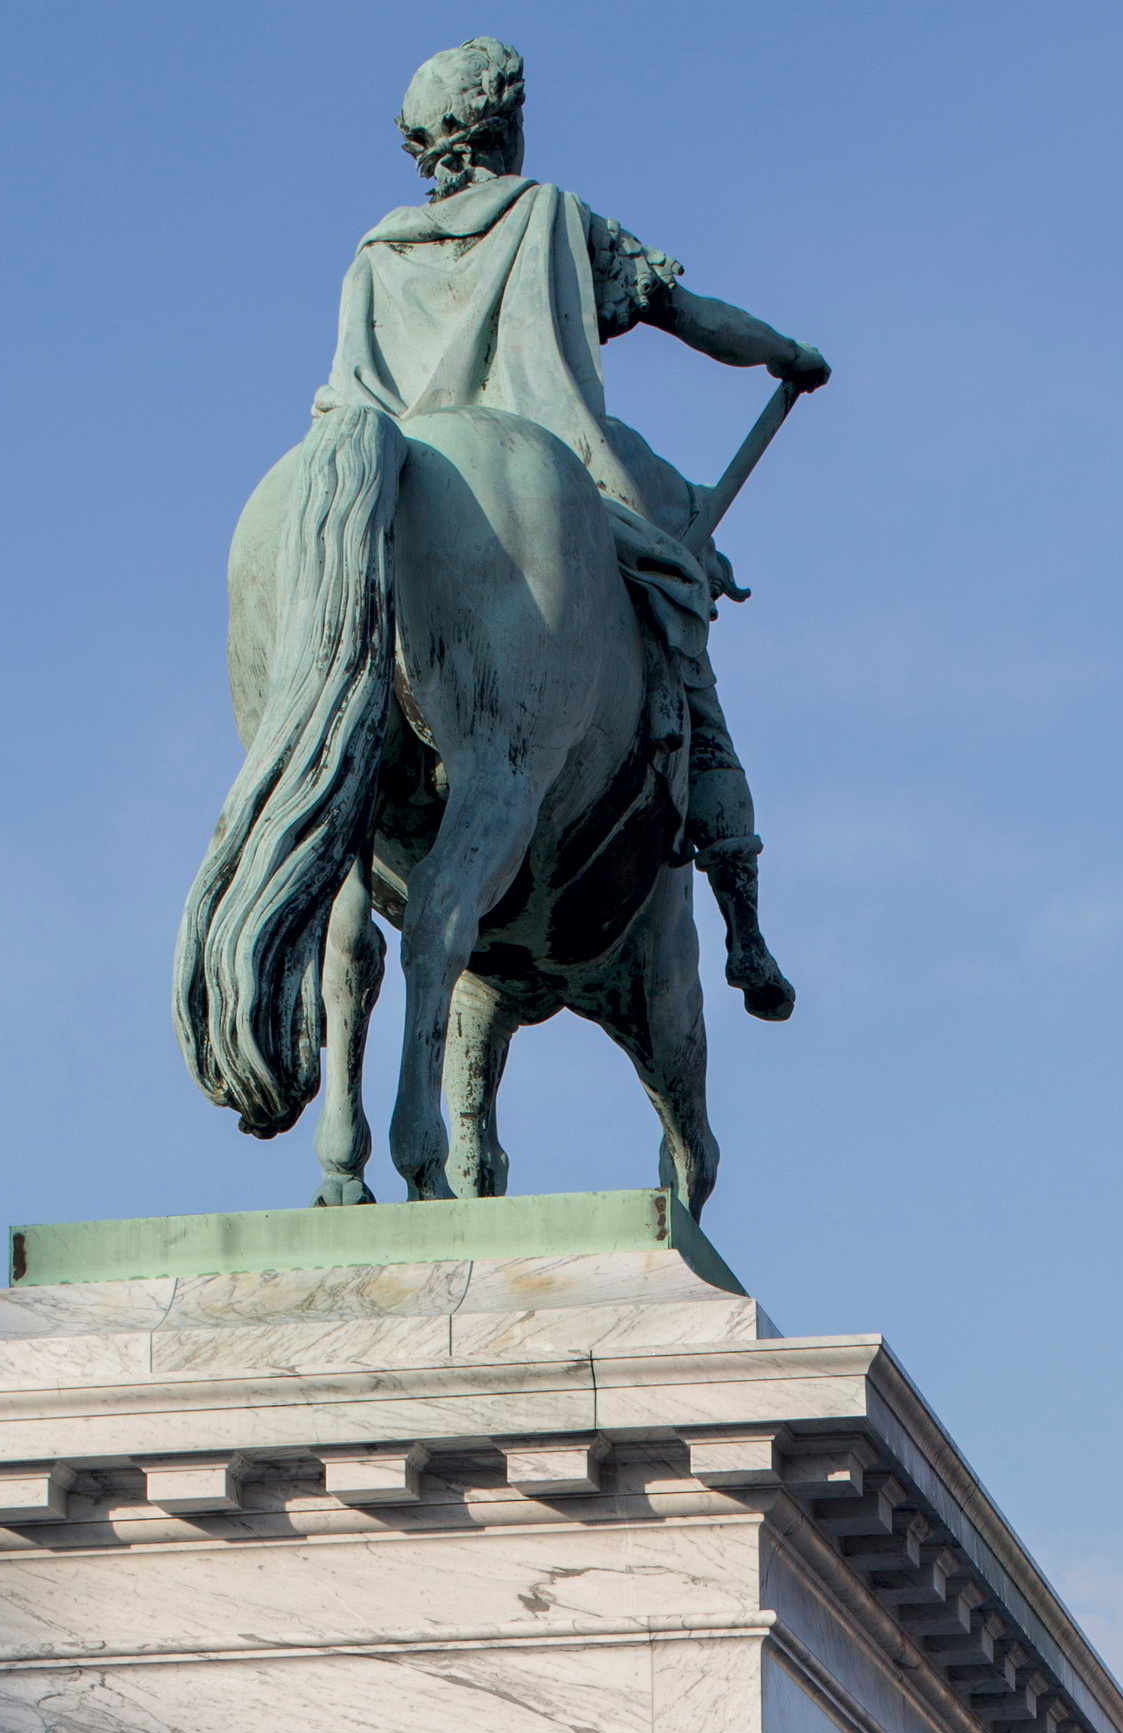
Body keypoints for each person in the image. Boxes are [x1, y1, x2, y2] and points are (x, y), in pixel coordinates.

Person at [317, 39, 827, 1015]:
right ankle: (743, 924)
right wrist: (787, 352)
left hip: (392, 490)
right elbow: (693, 316)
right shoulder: (549, 215)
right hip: (550, 476)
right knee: (680, 623)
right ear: (506, 125)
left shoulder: (376, 255)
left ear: (425, 147)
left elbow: (345, 403)